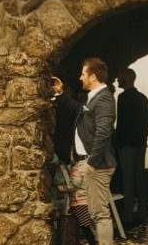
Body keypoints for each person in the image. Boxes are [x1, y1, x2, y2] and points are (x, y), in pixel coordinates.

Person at [52, 57, 117, 245]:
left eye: (83, 74)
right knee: (91, 211)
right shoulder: (95, 96)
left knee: (99, 214)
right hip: (89, 163)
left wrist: (91, 162)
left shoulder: (104, 98)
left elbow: (104, 132)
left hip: (96, 165)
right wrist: (61, 93)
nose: (80, 78)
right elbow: (79, 110)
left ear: (93, 76)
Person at [115, 68, 148, 227]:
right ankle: (142, 211)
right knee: (139, 177)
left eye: (120, 77)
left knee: (128, 180)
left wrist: (118, 142)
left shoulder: (122, 98)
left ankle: (128, 215)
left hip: (127, 144)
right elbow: (145, 123)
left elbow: (122, 124)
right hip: (140, 143)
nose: (117, 79)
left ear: (127, 79)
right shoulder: (143, 98)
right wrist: (142, 140)